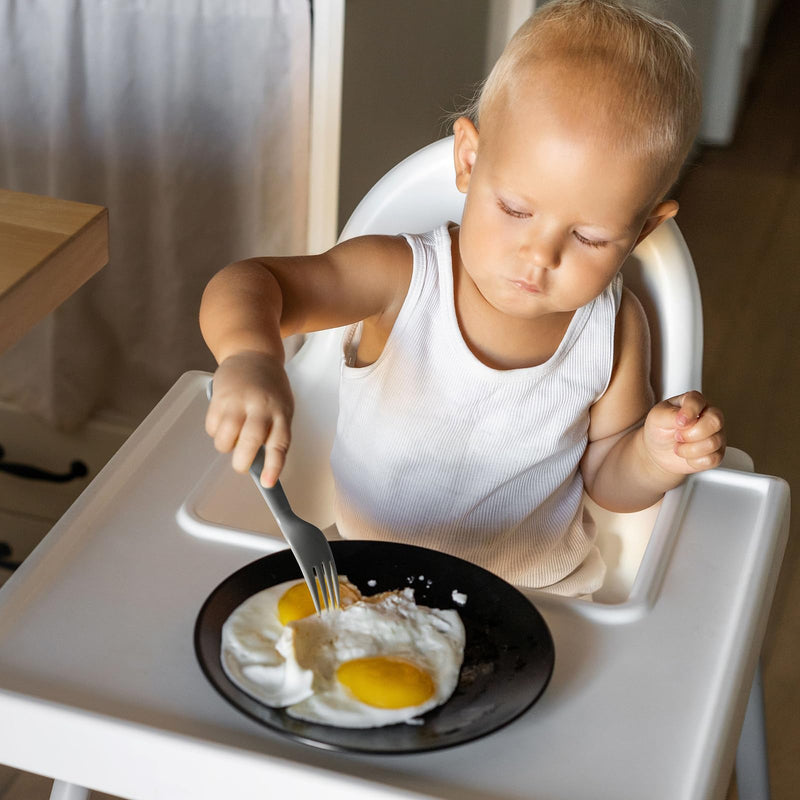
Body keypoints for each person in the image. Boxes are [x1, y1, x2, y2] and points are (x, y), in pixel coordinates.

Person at [199, 0, 725, 596]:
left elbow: (608, 480)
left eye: (589, 238)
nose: (540, 255)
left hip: (537, 603)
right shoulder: (398, 277)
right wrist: (251, 357)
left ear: (643, 231)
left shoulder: (614, 328)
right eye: (516, 210)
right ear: (469, 161)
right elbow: (250, 283)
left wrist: (656, 457)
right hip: (364, 581)